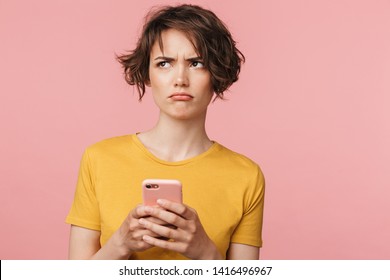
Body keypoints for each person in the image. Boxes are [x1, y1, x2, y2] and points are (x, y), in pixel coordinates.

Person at [66, 4, 265, 260]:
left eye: (196, 63)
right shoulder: (99, 159)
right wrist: (121, 244)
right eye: (164, 63)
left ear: (217, 73)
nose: (180, 78)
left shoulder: (246, 176)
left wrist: (205, 252)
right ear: (147, 74)